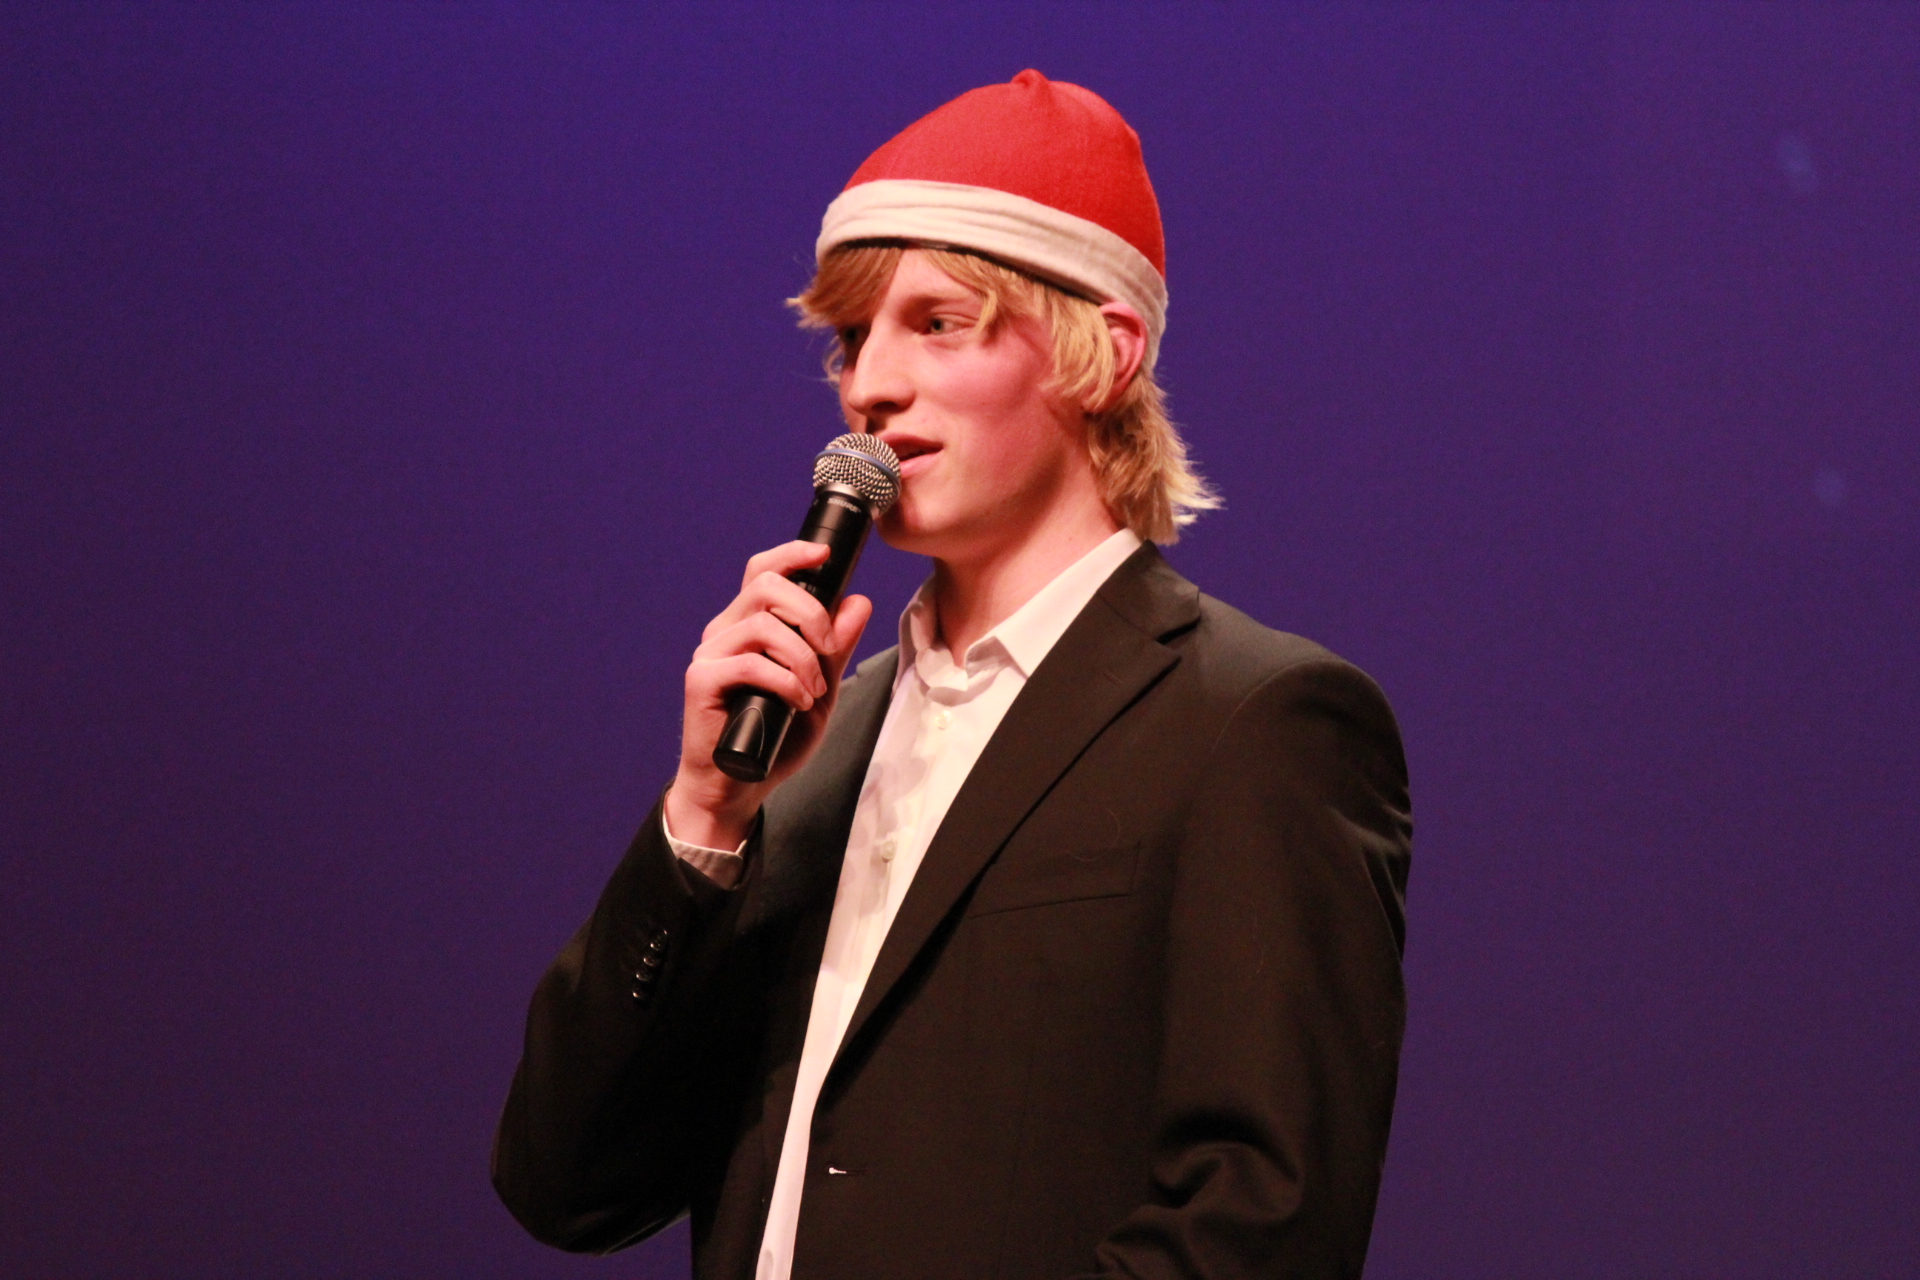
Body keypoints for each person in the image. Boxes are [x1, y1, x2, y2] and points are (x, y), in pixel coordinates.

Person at [493, 70, 1412, 1280]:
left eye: (937, 322)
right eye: (850, 339)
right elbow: (565, 1181)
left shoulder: (1254, 722)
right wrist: (706, 817)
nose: (868, 384)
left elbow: (1259, 1225)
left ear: (1105, 354)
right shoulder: (816, 744)